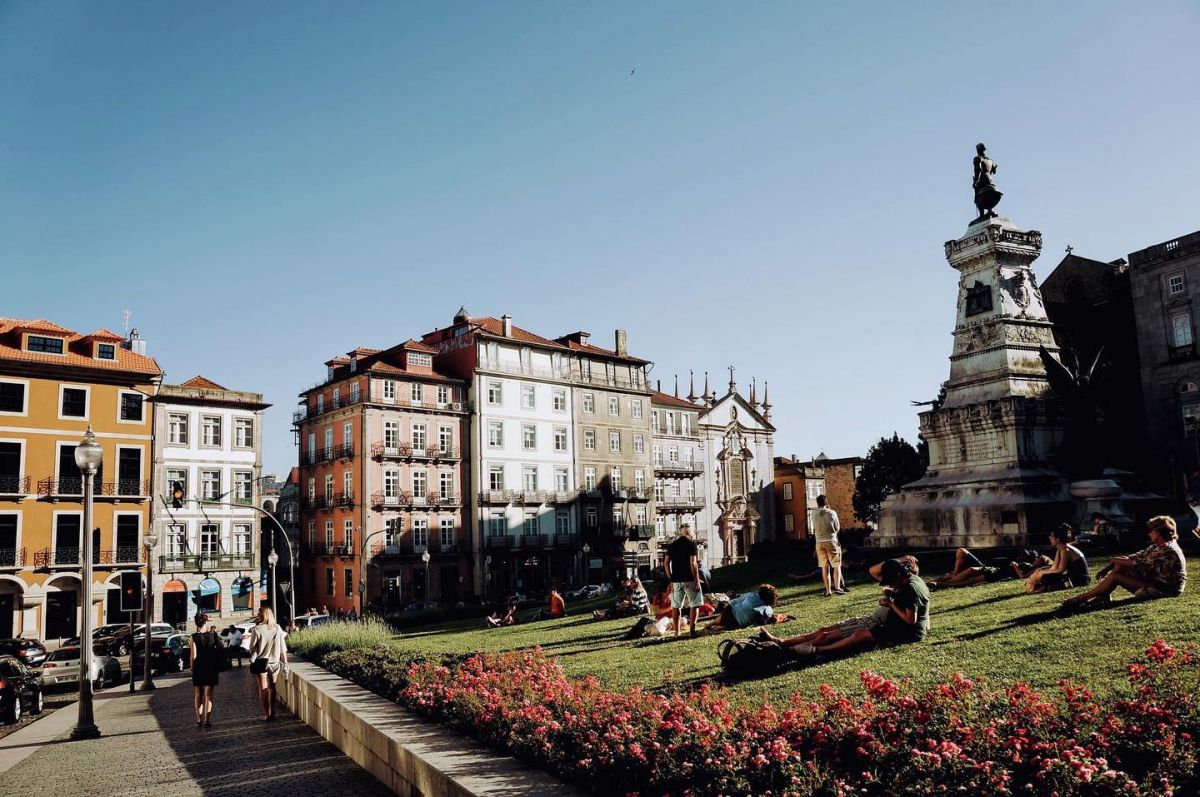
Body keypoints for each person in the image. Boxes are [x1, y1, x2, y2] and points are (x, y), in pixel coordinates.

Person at [762, 559, 930, 658]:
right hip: (887, 623)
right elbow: (876, 573)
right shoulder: (911, 580)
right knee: (824, 631)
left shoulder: (911, 589)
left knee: (834, 635)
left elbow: (910, 619)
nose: (889, 583)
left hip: (902, 631)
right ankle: (783, 643)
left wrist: (891, 603)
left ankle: (808, 650)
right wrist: (892, 594)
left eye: (890, 581)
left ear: (899, 576)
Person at [1063, 516, 1187, 609]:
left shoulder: (1165, 549)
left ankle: (1080, 599)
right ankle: (1103, 596)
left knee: (1115, 576)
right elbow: (1134, 557)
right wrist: (1109, 566)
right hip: (1156, 582)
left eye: (1152, 531)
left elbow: (1134, 563)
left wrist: (1111, 562)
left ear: (1159, 532)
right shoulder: (1158, 546)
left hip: (1165, 589)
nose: (1149, 534)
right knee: (1119, 564)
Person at [248, 605, 289, 721]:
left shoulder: (257, 629)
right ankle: (273, 711)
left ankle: (266, 713)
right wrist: (285, 662)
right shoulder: (277, 628)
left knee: (263, 688)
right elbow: (283, 647)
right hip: (275, 662)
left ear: (263, 615)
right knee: (272, 687)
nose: (257, 616)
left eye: (259, 614)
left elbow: (251, 648)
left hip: (261, 662)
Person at [1025, 524, 1090, 593]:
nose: (1049, 537)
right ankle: (1041, 587)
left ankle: (1042, 589)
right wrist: (1039, 572)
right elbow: (1054, 567)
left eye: (1052, 536)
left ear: (1058, 539)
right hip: (1072, 577)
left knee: (1048, 578)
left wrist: (1042, 573)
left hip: (1080, 580)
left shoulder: (1065, 550)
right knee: (1045, 576)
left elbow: (1060, 570)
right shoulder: (1060, 549)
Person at [664, 524, 703, 637]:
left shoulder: (672, 545)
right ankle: (692, 631)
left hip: (676, 580)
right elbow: (694, 563)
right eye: (692, 531)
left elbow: (666, 563)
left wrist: (671, 578)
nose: (693, 533)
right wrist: (696, 579)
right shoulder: (692, 544)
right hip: (690, 579)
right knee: (694, 604)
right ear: (688, 532)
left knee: (676, 606)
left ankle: (677, 632)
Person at [188, 612, 222, 727]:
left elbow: (193, 655)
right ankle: (207, 719)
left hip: (198, 666)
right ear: (205, 622)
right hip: (211, 666)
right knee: (209, 695)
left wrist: (192, 668)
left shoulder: (193, 637)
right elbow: (221, 647)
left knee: (198, 694)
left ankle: (199, 719)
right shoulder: (213, 635)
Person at [705, 584, 779, 632]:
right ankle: (724, 627)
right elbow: (768, 617)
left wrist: (729, 607)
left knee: (729, 612)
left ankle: (712, 623)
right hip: (738, 623)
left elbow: (737, 601)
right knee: (743, 619)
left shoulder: (750, 595)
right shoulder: (766, 608)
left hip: (728, 612)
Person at [926, 547, 1007, 589]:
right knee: (961, 551)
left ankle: (934, 584)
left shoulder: (1002, 574)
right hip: (986, 566)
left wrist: (942, 585)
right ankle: (953, 574)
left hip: (989, 570)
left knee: (954, 574)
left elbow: (970, 581)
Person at [812, 495, 845, 596]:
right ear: (826, 502)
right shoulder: (831, 513)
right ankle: (838, 587)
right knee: (836, 564)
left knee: (824, 567)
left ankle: (828, 590)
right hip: (831, 540)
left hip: (819, 541)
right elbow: (837, 528)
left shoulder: (813, 513)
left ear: (817, 503)